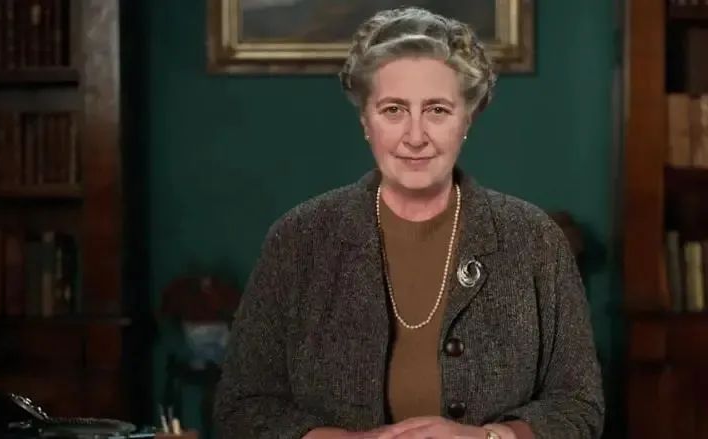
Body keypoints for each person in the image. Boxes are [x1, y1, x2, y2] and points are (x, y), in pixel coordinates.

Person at [213, 7, 604, 439]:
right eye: (393, 110)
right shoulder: (298, 239)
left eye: (437, 110)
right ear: (365, 120)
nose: (415, 136)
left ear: (467, 119)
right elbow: (242, 407)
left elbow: (579, 405)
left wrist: (486, 438)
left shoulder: (534, 239)